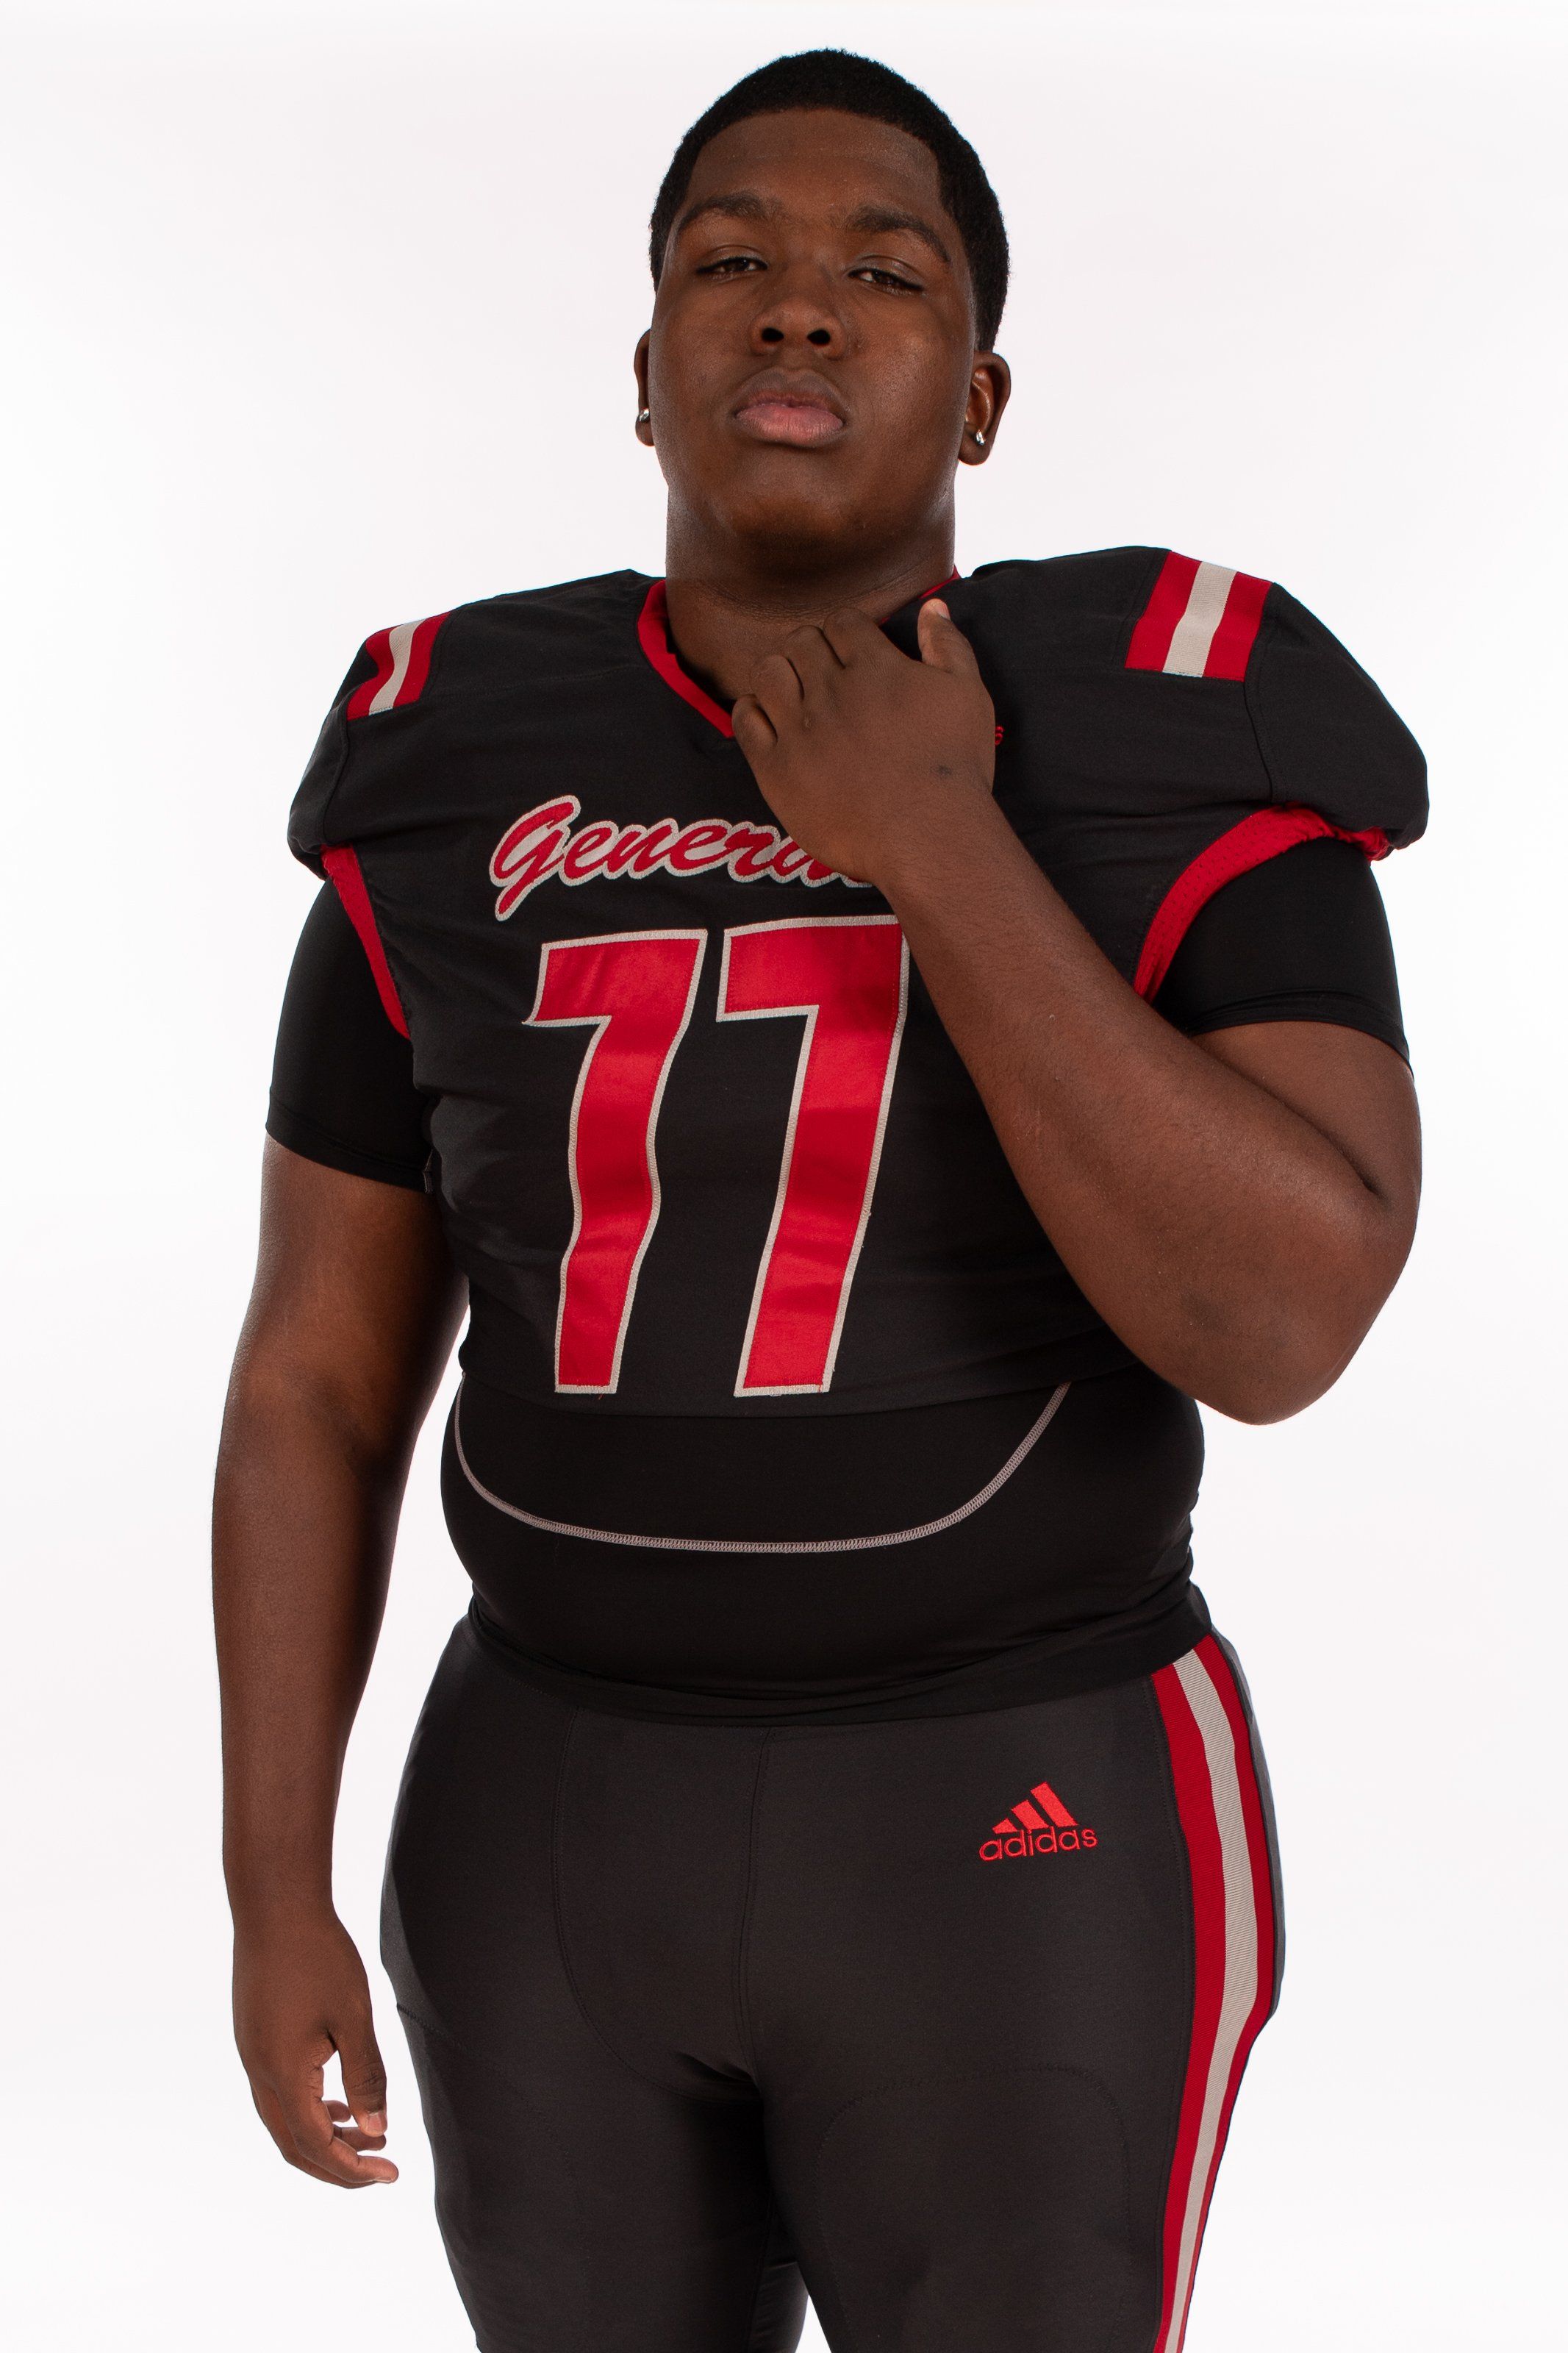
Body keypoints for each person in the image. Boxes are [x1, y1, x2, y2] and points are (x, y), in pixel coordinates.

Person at [214, 48, 1425, 2353]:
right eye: (730, 264)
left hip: (1016, 1797)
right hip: (546, 1811)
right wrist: (274, 1879)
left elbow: (1285, 1328)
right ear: (644, 368)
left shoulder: (1177, 708)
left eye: (885, 272)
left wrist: (936, 838)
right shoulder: (448, 745)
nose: (796, 307)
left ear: (980, 398)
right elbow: (315, 1379)